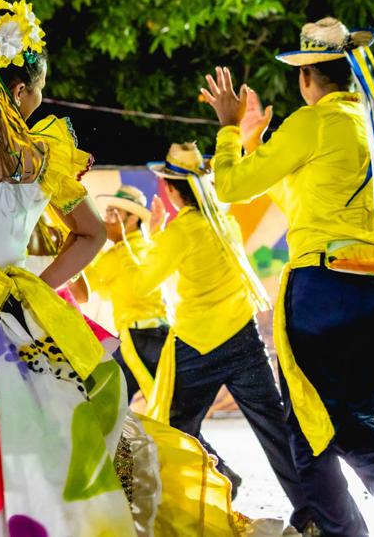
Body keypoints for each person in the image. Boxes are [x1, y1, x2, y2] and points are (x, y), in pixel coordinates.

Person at [0, 0, 292, 535]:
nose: (39, 101)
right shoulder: (40, 154)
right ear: (19, 89)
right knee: (41, 454)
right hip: (9, 321)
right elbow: (90, 235)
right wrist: (33, 290)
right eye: (39, 89)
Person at [203, 16, 374, 535]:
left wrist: (230, 129)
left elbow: (230, 186)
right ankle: (367, 522)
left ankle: (366, 523)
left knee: (316, 424)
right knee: (339, 422)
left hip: (325, 289)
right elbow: (300, 199)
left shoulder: (313, 122)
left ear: (306, 77)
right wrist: (258, 143)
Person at [133, 144, 310, 524]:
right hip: (244, 339)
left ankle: (220, 479)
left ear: (172, 190)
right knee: (274, 429)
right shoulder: (224, 222)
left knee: (175, 428)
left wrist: (150, 235)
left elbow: (141, 282)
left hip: (197, 345)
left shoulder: (180, 232)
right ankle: (313, 512)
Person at [86, 185, 170, 404]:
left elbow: (81, 291)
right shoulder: (150, 246)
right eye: (108, 212)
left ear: (132, 219)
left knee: (106, 401)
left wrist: (77, 245)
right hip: (161, 335)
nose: (107, 219)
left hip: (139, 339)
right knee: (167, 408)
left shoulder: (117, 255)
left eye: (114, 214)